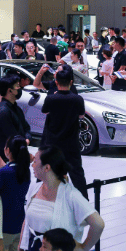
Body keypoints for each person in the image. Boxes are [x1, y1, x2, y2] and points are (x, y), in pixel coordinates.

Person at [18, 147, 105, 251]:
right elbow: (27, 221)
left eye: (35, 161)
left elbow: (98, 223)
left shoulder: (71, 195)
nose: (32, 165)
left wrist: (84, 247)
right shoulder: (35, 188)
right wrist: (21, 249)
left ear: (47, 168)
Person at [42, 67, 88, 197]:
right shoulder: (77, 99)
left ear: (56, 82)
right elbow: (81, 115)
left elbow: (45, 112)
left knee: (52, 174)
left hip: (53, 143)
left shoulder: (51, 99)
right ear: (71, 82)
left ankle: (50, 201)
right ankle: (84, 202)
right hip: (71, 142)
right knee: (77, 175)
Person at [0, 76, 31, 159]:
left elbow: (26, 127)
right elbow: (12, 137)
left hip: (20, 151)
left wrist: (27, 139)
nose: (20, 88)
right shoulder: (3, 111)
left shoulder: (16, 108)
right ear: (10, 90)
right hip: (9, 157)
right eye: (17, 86)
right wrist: (24, 142)